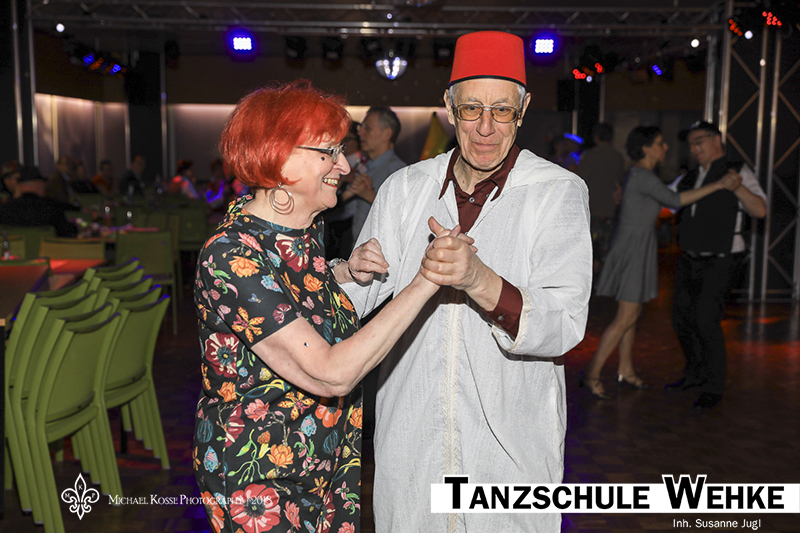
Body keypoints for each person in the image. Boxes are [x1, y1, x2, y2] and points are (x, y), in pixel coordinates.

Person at [338, 31, 592, 532]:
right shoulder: (406, 190)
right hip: (412, 432)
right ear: (450, 108)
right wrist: (347, 273)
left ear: (523, 110)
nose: (485, 127)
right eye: (471, 109)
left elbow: (564, 323)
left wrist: (478, 279)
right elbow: (354, 300)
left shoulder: (556, 192)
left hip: (511, 441)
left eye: (502, 111)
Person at [192, 80, 457, 533]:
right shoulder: (229, 255)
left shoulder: (298, 231)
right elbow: (329, 373)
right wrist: (426, 280)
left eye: (342, 150)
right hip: (261, 474)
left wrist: (344, 272)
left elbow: (285, 297)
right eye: (328, 152)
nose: (345, 164)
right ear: (278, 157)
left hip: (324, 463)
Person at [579, 126, 742, 399]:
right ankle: (592, 374)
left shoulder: (640, 175)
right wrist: (718, 185)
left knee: (631, 315)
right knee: (626, 316)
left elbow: (660, 203)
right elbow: (675, 200)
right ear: (646, 148)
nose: (665, 148)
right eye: (659, 143)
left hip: (635, 247)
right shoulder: (643, 176)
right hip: (632, 250)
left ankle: (626, 370)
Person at [666, 121, 767, 409]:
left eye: (699, 141)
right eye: (691, 144)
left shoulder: (737, 170)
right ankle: (695, 373)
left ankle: (713, 386)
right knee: (681, 318)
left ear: (717, 140)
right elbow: (664, 201)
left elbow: (760, 210)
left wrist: (738, 188)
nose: (694, 148)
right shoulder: (689, 176)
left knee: (705, 319)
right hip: (690, 258)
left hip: (722, 259)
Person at [342, 106, 406, 244]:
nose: (360, 133)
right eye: (361, 128)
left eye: (367, 128)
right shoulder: (366, 167)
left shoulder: (397, 171)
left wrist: (368, 194)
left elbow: (403, 214)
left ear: (387, 134)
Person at [577, 122, 626, 272]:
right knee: (605, 248)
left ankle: (594, 280)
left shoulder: (590, 156)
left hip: (593, 208)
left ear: (596, 137)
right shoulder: (618, 157)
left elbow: (579, 179)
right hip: (610, 209)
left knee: (591, 251)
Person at [0, 165, 78, 237]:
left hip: (13, 248)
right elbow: (67, 233)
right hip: (46, 247)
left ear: (19, 186)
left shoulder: (4, 209)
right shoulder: (51, 208)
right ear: (39, 185)